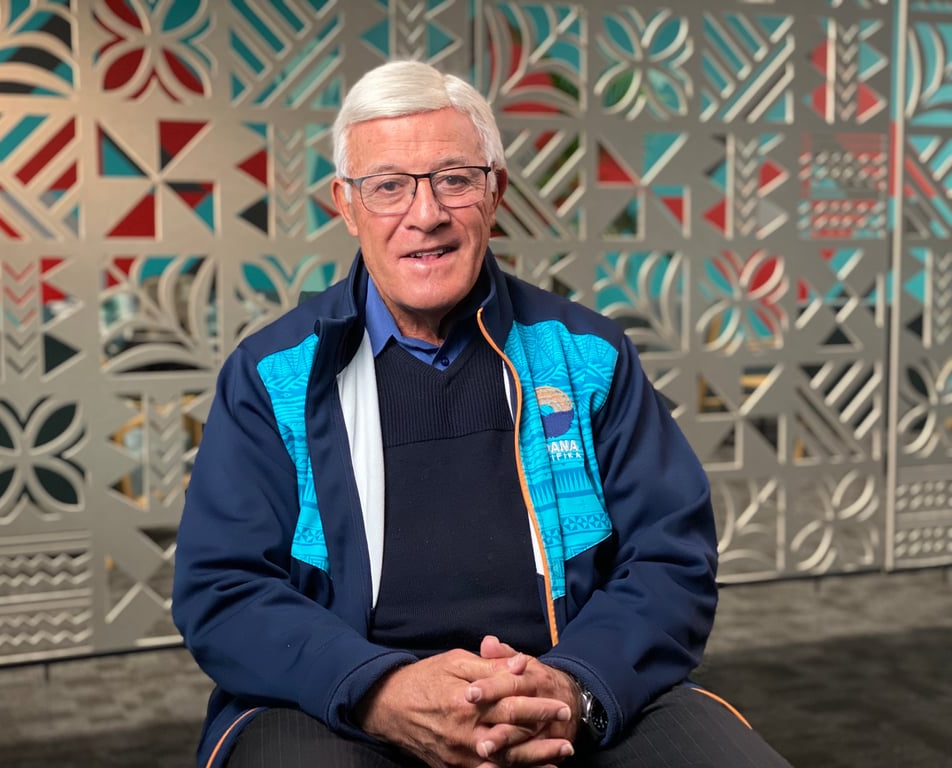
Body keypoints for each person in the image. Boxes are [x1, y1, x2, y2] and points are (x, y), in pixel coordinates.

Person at [172, 60, 792, 768]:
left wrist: (570, 687)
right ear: (345, 204)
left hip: (568, 686)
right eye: (388, 186)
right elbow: (223, 589)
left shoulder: (586, 356)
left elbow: (670, 557)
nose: (425, 214)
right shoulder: (274, 375)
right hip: (348, 705)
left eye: (455, 179)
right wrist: (382, 690)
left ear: (495, 191)